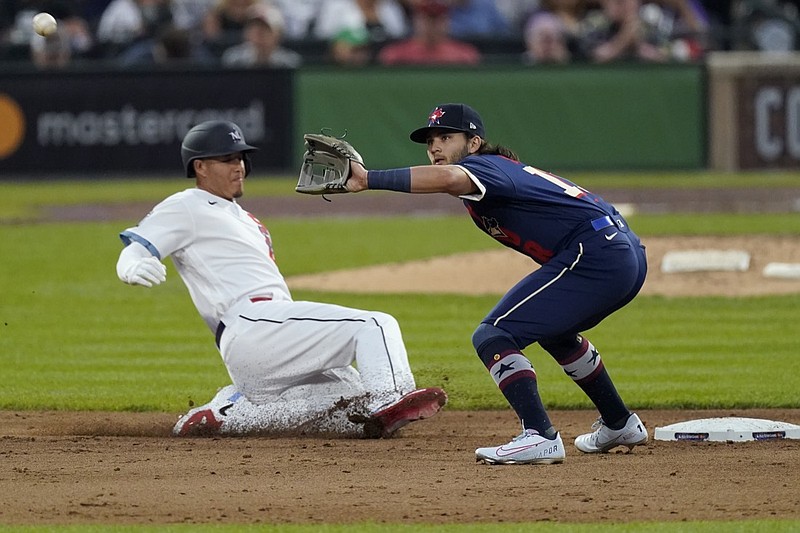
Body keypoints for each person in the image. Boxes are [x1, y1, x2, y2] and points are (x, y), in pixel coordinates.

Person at [341, 103, 649, 464]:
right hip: (619, 252)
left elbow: (449, 179)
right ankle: (619, 422)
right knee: (554, 332)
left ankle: (539, 435)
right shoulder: (497, 170)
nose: (435, 147)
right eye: (430, 141)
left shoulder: (480, 167)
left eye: (446, 137)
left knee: (494, 334)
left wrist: (367, 179)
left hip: (596, 253)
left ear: (474, 143)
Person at [115, 120, 447, 438]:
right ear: (200, 167)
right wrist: (131, 265)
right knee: (374, 325)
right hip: (251, 324)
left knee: (352, 395)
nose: (239, 166)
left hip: (272, 336)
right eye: (227, 158)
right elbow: (139, 245)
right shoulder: (187, 204)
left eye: (241, 157)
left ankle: (227, 415)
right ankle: (391, 399)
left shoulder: (247, 219)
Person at [377, 0, 480, 65]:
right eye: (427, 18)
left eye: (437, 19)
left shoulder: (464, 55)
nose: (432, 25)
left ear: (446, 21)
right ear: (416, 19)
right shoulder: (396, 54)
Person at [220, 2, 302, 68]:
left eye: (265, 29)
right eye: (254, 28)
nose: (258, 34)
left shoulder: (289, 63)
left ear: (278, 34)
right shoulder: (234, 60)